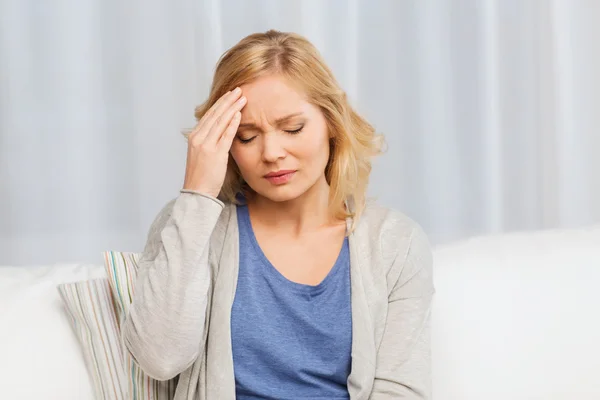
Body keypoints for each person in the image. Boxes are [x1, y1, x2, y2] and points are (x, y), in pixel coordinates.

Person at [122, 30, 435, 400]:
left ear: (331, 123)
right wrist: (197, 195)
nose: (271, 152)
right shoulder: (193, 222)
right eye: (247, 136)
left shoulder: (395, 243)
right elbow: (160, 359)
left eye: (292, 128)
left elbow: (400, 390)